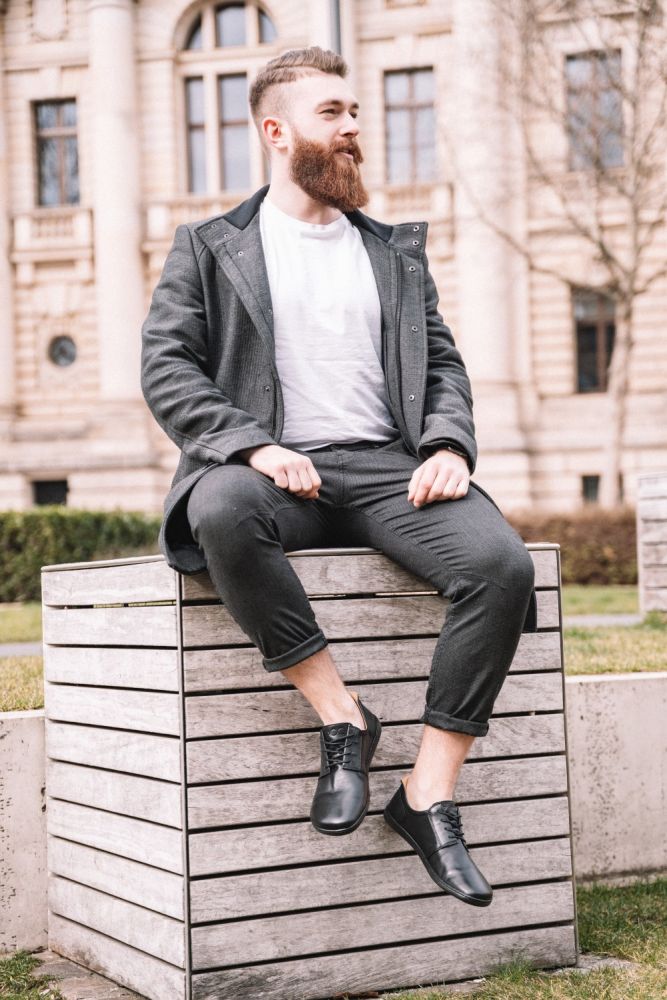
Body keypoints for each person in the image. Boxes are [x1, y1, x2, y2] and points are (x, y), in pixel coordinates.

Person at [140, 46, 537, 908]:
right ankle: (343, 719)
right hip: (275, 472)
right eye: (332, 113)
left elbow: (442, 365)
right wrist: (250, 446)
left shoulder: (393, 251)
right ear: (276, 131)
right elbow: (167, 367)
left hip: (391, 469)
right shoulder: (210, 247)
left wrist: (448, 446)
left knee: (501, 566)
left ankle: (426, 797)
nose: (354, 126)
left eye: (354, 111)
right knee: (220, 508)